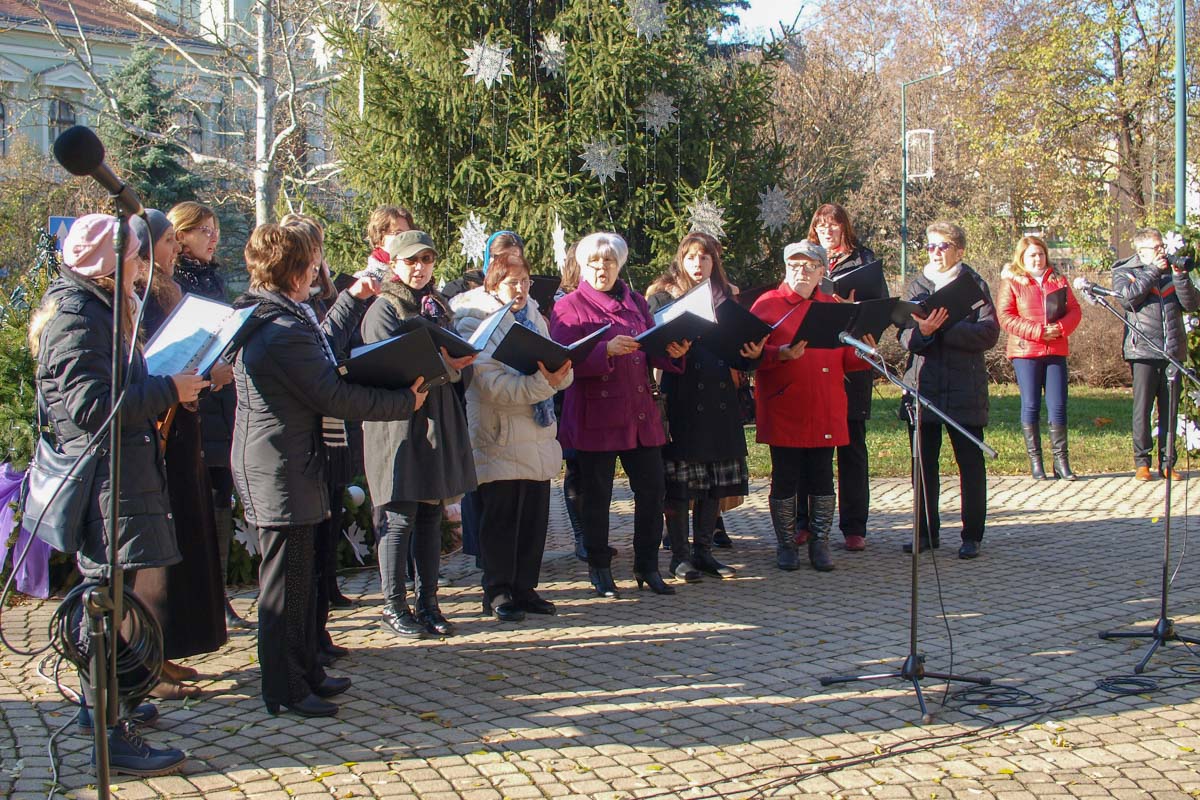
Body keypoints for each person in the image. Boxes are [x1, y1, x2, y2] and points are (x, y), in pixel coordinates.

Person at [30, 214, 208, 774]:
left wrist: (167, 387)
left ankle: (108, 707)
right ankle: (110, 733)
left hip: (120, 476)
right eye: (135, 257)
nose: (142, 266)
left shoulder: (98, 306)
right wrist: (167, 389)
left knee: (112, 599)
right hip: (104, 482)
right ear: (111, 264)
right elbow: (91, 408)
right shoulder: (78, 316)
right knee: (105, 604)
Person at [231, 223, 419, 718]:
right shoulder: (279, 327)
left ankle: (306, 669)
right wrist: (402, 401)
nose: (318, 271)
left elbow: (325, 354)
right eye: (311, 262)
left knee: (303, 578)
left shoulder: (284, 315)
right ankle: (285, 688)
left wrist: (352, 303)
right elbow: (330, 393)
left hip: (293, 459)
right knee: (285, 586)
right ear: (294, 269)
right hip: (279, 465)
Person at [550, 232, 690, 597]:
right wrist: (605, 351)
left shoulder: (636, 302)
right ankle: (599, 567)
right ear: (582, 266)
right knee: (597, 496)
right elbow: (561, 361)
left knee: (653, 491)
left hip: (640, 413)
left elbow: (651, 348)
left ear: (619, 264)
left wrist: (672, 351)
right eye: (594, 262)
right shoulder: (569, 306)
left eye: (609, 261)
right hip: (596, 415)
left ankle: (647, 566)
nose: (602, 269)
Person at [127, 209, 228, 702]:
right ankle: (145, 660)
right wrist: (194, 379)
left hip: (179, 428)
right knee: (154, 562)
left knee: (180, 543)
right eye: (168, 240)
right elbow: (146, 368)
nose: (175, 249)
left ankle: (163, 650)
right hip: (152, 435)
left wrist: (206, 375)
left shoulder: (165, 290)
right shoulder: (138, 296)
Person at [360, 230, 477, 639]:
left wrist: (457, 365)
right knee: (398, 517)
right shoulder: (383, 308)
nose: (419, 268)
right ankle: (393, 606)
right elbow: (387, 369)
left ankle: (429, 604)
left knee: (430, 515)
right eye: (411, 261)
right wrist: (443, 365)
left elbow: (459, 369)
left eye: (426, 260)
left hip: (436, 419)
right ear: (394, 264)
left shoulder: (437, 307)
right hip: (397, 425)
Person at [453, 250, 573, 620]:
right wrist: (545, 383)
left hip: (536, 432)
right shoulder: (474, 319)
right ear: (493, 285)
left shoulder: (534, 315)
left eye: (525, 281)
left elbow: (559, 366)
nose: (520, 289)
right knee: (501, 519)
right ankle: (497, 591)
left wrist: (561, 374)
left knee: (533, 519)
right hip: (498, 433)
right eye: (511, 283)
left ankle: (525, 588)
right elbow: (490, 384)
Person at [751, 241, 872, 572]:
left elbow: (847, 359)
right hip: (784, 404)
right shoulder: (767, 304)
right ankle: (786, 544)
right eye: (794, 265)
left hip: (825, 402)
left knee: (822, 476)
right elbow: (748, 353)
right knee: (785, 476)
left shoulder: (832, 306)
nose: (801, 272)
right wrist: (779, 354)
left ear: (822, 272)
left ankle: (820, 543)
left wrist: (864, 351)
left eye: (809, 266)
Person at [646, 232, 760, 582]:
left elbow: (739, 352)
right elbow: (650, 347)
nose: (698, 263)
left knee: (713, 483)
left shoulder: (725, 298)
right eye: (691, 257)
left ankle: (704, 553)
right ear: (680, 260)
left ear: (714, 262)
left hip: (720, 399)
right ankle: (680, 557)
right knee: (681, 483)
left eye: (705, 257)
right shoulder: (662, 296)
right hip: (681, 397)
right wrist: (670, 350)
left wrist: (753, 355)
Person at [166, 202, 251, 630]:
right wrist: (207, 376)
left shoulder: (211, 279)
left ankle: (219, 599)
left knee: (219, 500)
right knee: (195, 505)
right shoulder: (169, 284)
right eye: (203, 230)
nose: (213, 237)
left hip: (220, 402)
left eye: (215, 229)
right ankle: (198, 603)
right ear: (179, 236)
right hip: (191, 404)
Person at [898, 222, 999, 560]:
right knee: (923, 464)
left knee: (970, 463)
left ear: (959, 251)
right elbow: (905, 337)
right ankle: (926, 532)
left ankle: (972, 535)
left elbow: (988, 333)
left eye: (943, 246)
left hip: (964, 385)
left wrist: (943, 328)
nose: (936, 252)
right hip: (923, 385)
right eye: (931, 246)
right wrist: (924, 332)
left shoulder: (974, 285)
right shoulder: (918, 285)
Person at [279, 213, 354, 666]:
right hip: (302, 446)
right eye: (311, 255)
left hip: (327, 437)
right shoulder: (286, 317)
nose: (317, 264)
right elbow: (323, 363)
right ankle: (300, 652)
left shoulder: (313, 302)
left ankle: (316, 631)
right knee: (299, 561)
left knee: (324, 537)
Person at [799, 203, 887, 551]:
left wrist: (852, 310)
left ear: (844, 228)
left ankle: (854, 526)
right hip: (813, 360)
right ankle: (805, 522)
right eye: (821, 225)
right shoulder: (805, 259)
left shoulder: (864, 261)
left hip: (852, 361)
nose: (827, 230)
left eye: (833, 224)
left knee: (852, 446)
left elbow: (880, 312)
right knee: (808, 446)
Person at [1112, 228, 1200, 481]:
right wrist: (1153, 271)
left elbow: (1192, 304)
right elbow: (1128, 300)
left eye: (1162, 246)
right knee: (1143, 407)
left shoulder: (1170, 272)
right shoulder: (1125, 271)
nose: (1162, 251)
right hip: (1143, 350)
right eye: (1156, 247)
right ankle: (1142, 462)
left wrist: (1180, 277)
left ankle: (1167, 462)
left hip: (1172, 350)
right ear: (1141, 252)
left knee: (1169, 409)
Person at [997, 235, 1083, 480]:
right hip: (1026, 351)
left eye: (1041, 254)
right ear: (1022, 257)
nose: (1037, 259)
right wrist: (1038, 331)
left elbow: (1074, 310)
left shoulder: (1058, 280)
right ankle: (1036, 463)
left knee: (1058, 405)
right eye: (1032, 255)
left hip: (1055, 349)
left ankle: (1061, 462)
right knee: (1031, 404)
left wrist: (1060, 328)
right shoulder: (1012, 282)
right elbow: (1005, 316)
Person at [364, 205, 416, 277]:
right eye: (399, 233)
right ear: (379, 236)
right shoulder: (365, 279)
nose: (406, 238)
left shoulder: (419, 274)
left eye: (408, 234)